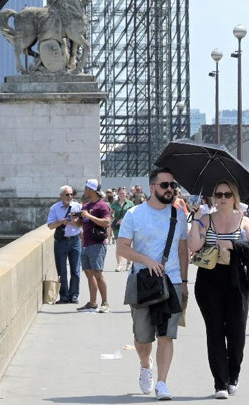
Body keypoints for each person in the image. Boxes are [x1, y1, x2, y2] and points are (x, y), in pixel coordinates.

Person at [116, 167, 189, 401]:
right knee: (143, 337)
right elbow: (122, 248)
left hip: (172, 281)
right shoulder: (135, 214)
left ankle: (162, 383)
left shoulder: (179, 216)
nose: (170, 189)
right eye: (165, 185)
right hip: (143, 282)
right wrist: (146, 260)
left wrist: (185, 281)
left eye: (173, 185)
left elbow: (183, 250)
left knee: (167, 335)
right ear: (152, 188)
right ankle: (145, 364)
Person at [188, 180, 249, 399]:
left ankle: (233, 376)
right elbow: (193, 247)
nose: (222, 198)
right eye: (218, 194)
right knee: (215, 332)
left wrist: (232, 245)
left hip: (237, 281)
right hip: (209, 281)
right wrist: (194, 221)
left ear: (235, 197)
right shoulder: (204, 219)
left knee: (236, 333)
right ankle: (220, 383)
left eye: (227, 194)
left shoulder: (245, 220)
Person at [76, 179, 112, 313]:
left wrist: (89, 216)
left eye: (86, 188)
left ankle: (105, 303)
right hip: (85, 244)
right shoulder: (85, 206)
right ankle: (92, 303)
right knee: (89, 273)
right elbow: (78, 223)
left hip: (97, 243)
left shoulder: (101, 205)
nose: (84, 190)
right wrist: (72, 219)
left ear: (92, 190)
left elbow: (106, 222)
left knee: (98, 273)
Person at [47, 186, 82, 304]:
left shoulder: (77, 207)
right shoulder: (55, 208)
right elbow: (50, 225)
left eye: (71, 194)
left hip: (75, 240)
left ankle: (74, 295)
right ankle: (64, 296)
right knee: (62, 270)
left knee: (75, 270)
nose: (70, 197)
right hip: (61, 241)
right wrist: (61, 222)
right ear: (61, 195)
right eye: (67, 195)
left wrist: (74, 222)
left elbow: (81, 224)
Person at [111, 186, 133, 272]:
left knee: (128, 245)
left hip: (128, 226)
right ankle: (119, 264)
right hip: (117, 227)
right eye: (120, 193)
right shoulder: (114, 204)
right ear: (118, 194)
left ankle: (128, 263)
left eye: (123, 193)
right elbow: (110, 214)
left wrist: (123, 220)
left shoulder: (130, 203)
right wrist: (112, 218)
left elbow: (132, 215)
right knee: (119, 245)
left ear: (126, 194)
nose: (122, 195)